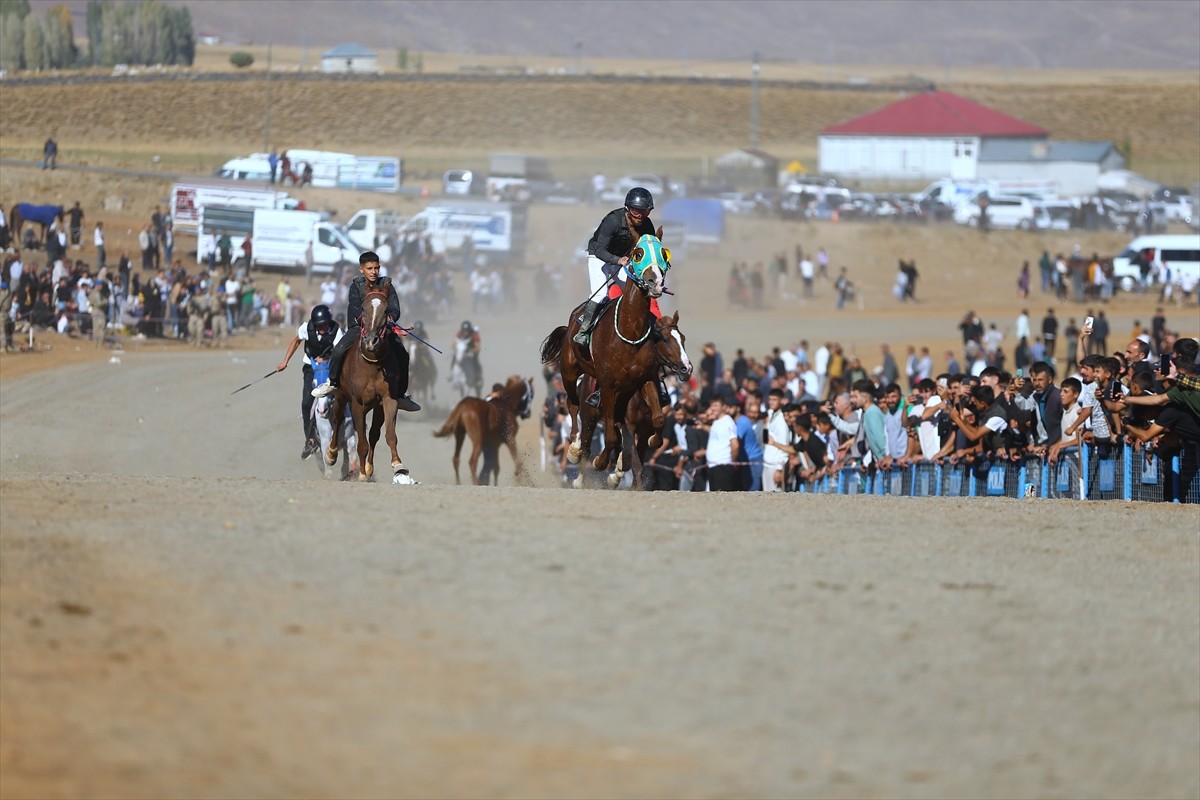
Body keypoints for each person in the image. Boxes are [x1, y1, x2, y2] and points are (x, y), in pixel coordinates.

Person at [311, 251, 420, 412]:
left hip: (383, 329)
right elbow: (355, 306)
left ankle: (401, 395)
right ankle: (332, 383)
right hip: (358, 328)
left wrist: (390, 317)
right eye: (369, 268)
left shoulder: (387, 285)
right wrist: (366, 322)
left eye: (376, 268)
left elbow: (395, 308)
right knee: (339, 350)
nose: (373, 271)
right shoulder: (356, 286)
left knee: (403, 355)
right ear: (361, 269)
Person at [575, 186, 657, 346]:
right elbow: (599, 250)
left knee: (637, 291)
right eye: (635, 211)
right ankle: (583, 331)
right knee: (601, 295)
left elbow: (649, 249)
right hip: (599, 257)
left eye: (645, 211)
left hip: (623, 259)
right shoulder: (612, 220)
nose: (640, 216)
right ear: (628, 209)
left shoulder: (647, 225)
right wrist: (617, 260)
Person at [277, 304, 344, 459]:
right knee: (306, 404)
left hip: (329, 370)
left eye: (325, 325)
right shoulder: (306, 328)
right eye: (319, 326)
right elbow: (296, 341)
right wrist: (285, 361)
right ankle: (310, 439)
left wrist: (327, 359)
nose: (322, 328)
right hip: (311, 369)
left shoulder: (336, 331)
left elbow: (340, 352)